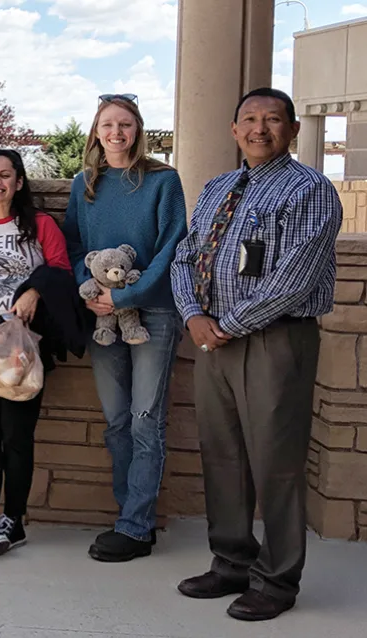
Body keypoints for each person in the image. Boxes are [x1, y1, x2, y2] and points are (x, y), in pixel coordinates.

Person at [171, 88, 341, 622]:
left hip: (275, 340)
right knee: (221, 455)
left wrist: (227, 325)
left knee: (276, 464)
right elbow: (184, 255)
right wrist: (194, 317)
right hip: (212, 339)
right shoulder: (218, 187)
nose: (259, 128)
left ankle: (277, 579)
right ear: (233, 128)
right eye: (249, 119)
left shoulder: (309, 189)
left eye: (272, 119)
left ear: (292, 129)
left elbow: (297, 276)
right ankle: (231, 562)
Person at [62, 94, 188, 562]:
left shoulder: (163, 181)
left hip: (152, 312)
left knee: (144, 420)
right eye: (108, 124)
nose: (116, 133)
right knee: (116, 419)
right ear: (96, 131)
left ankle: (136, 528)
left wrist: (125, 296)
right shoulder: (85, 184)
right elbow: (74, 244)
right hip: (102, 317)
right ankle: (130, 516)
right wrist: (90, 291)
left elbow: (173, 246)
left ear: (138, 130)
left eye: (126, 124)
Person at [0, 149, 84, 560]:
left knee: (17, 436)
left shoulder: (40, 225)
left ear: (19, 182)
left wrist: (34, 291)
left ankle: (15, 519)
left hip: (22, 342)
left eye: (5, 175)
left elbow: (61, 271)